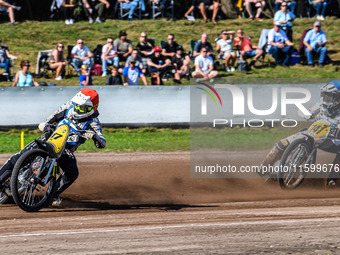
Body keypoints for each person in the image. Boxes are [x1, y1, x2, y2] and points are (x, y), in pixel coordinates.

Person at [0, 88, 106, 207]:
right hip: (49, 138)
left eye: (81, 107)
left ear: (92, 109)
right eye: (76, 105)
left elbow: (102, 141)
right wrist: (47, 125)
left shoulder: (93, 122)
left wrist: (94, 136)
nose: (76, 109)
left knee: (72, 173)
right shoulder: (68, 106)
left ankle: (53, 193)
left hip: (65, 150)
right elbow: (53, 117)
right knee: (17, 158)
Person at [260, 80, 340, 188]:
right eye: (324, 94)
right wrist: (306, 114)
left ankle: (332, 181)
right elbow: (310, 112)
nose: (326, 97)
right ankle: (264, 167)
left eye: (329, 95)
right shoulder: (321, 102)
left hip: (333, 140)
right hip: (315, 132)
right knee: (281, 144)